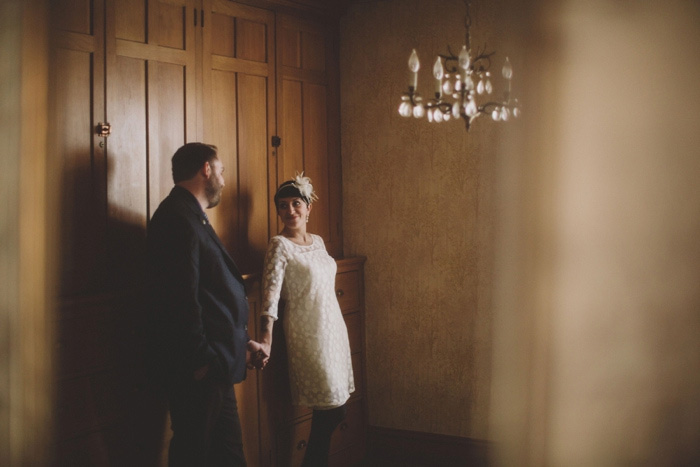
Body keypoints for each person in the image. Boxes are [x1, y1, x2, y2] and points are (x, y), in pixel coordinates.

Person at [147, 142, 267, 467]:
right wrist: (202, 360)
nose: (224, 181)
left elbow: (211, 297)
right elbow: (179, 298)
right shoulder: (177, 218)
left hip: (217, 364)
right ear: (206, 169)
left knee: (229, 455)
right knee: (193, 453)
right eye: (222, 170)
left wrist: (240, 344)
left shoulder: (192, 216)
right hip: (199, 370)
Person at [257, 173, 355, 467]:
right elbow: (270, 294)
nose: (290, 211)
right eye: (283, 206)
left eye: (296, 204)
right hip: (308, 333)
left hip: (334, 329)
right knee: (331, 409)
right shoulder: (279, 245)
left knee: (336, 408)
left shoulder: (319, 241)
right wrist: (266, 337)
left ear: (308, 207)